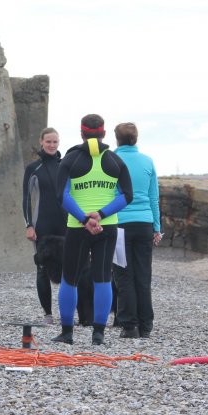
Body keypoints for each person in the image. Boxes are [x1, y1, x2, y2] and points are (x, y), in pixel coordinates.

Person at [52, 114, 133, 345]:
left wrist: (84, 219)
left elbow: (61, 195)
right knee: (103, 278)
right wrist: (101, 215)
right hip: (106, 227)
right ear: (104, 134)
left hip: (78, 227)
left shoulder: (70, 159)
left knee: (70, 279)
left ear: (81, 133)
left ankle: (67, 333)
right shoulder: (115, 161)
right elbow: (127, 195)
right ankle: (98, 334)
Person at [113, 122, 162, 339]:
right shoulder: (147, 161)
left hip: (120, 223)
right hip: (144, 223)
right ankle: (146, 325)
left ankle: (129, 325)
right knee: (143, 275)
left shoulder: (111, 160)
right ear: (136, 138)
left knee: (123, 275)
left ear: (117, 139)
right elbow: (153, 198)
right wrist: (157, 227)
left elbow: (109, 194)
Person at [22, 128, 71, 325]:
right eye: (48, 141)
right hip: (42, 225)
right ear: (41, 142)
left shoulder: (66, 166)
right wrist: (29, 225)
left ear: (59, 143)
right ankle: (48, 314)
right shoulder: (33, 168)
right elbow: (26, 198)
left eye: (55, 142)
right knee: (42, 269)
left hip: (66, 224)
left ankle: (68, 312)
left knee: (69, 269)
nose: (52, 145)